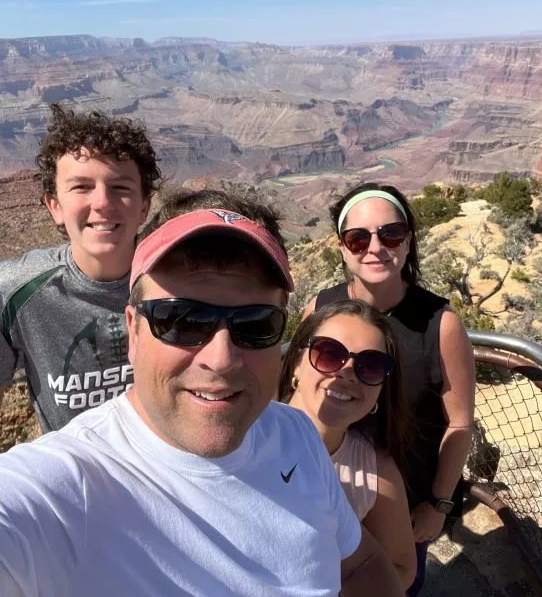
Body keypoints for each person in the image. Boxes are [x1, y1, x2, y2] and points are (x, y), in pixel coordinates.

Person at [0, 190, 405, 596]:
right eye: (182, 319)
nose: (222, 357)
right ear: (133, 331)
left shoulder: (295, 434)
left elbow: (360, 563)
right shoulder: (69, 489)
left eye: (256, 323)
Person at [303, 182, 476, 596]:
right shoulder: (320, 309)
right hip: (325, 498)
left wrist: (439, 505)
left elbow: (460, 424)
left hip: (406, 511)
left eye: (391, 234)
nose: (375, 247)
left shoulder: (439, 324)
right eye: (358, 238)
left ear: (409, 240)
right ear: (342, 248)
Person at [0, 103, 162, 431]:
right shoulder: (17, 292)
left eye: (121, 187)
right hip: (77, 475)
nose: (102, 202)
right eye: (81, 187)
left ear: (144, 205)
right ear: (55, 206)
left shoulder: (174, 280)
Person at [279, 299, 418, 592]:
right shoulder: (245, 433)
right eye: (329, 354)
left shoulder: (373, 468)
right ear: (297, 364)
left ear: (381, 390)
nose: (347, 371)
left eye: (371, 366)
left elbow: (402, 568)